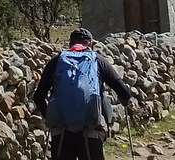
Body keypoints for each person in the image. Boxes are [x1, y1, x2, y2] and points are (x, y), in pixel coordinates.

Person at [34, 27, 133, 160]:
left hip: (61, 133)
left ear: (70, 44)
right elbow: (124, 92)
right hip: (90, 133)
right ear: (91, 44)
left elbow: (38, 96)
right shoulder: (98, 60)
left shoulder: (57, 61)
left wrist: (52, 119)